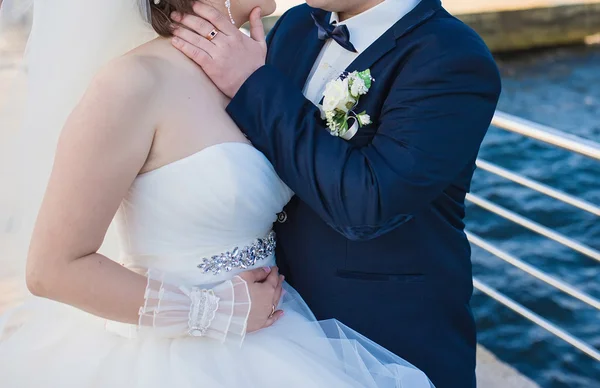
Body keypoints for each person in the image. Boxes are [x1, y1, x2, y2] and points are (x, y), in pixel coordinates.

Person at [0, 0, 432, 386]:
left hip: (282, 333)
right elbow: (51, 269)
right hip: (174, 356)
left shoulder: (255, 69)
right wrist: (215, 313)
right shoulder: (132, 81)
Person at [170, 0, 502, 387]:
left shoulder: (451, 55)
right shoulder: (296, 24)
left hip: (387, 335)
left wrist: (252, 83)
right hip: (273, 328)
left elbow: (367, 205)